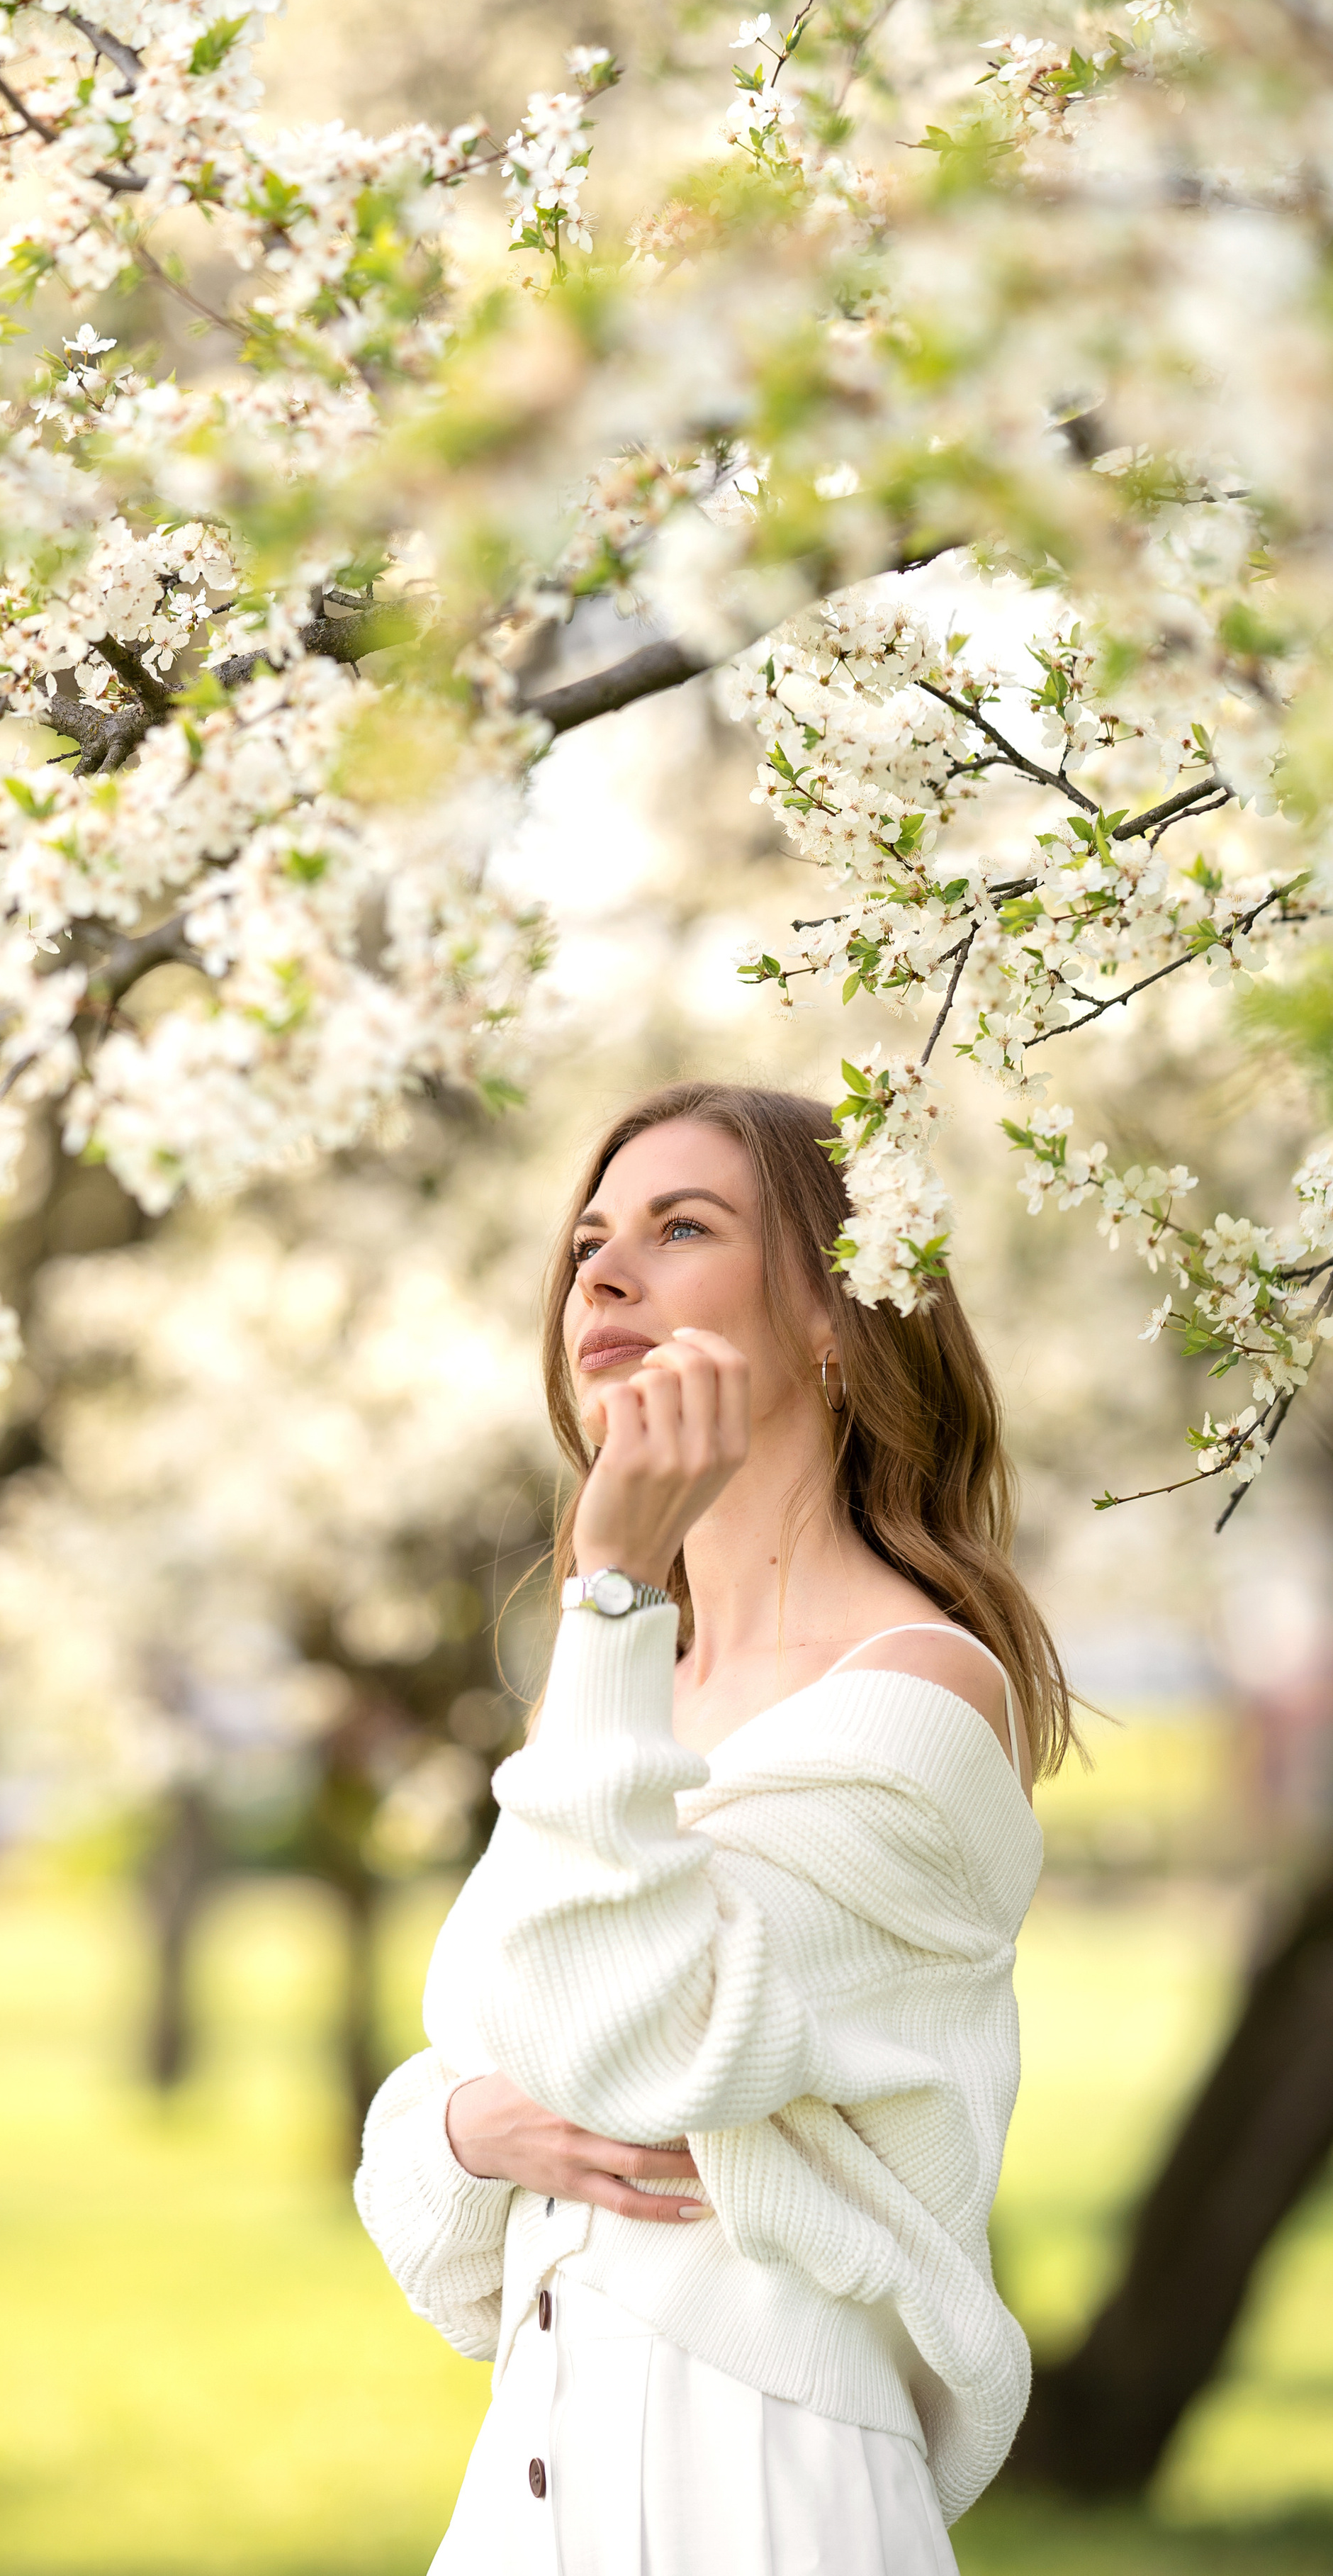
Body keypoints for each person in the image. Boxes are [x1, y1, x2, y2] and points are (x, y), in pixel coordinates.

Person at [354, 1081, 1069, 2575]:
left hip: (759, 2486)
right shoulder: (623, 1692)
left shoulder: (919, 1704)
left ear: (835, 1314)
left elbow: (637, 2044)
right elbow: (447, 2106)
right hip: (526, 2495)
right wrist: (467, 2128)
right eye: (588, 1243)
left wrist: (608, 1590)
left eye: (681, 1229)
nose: (600, 1276)